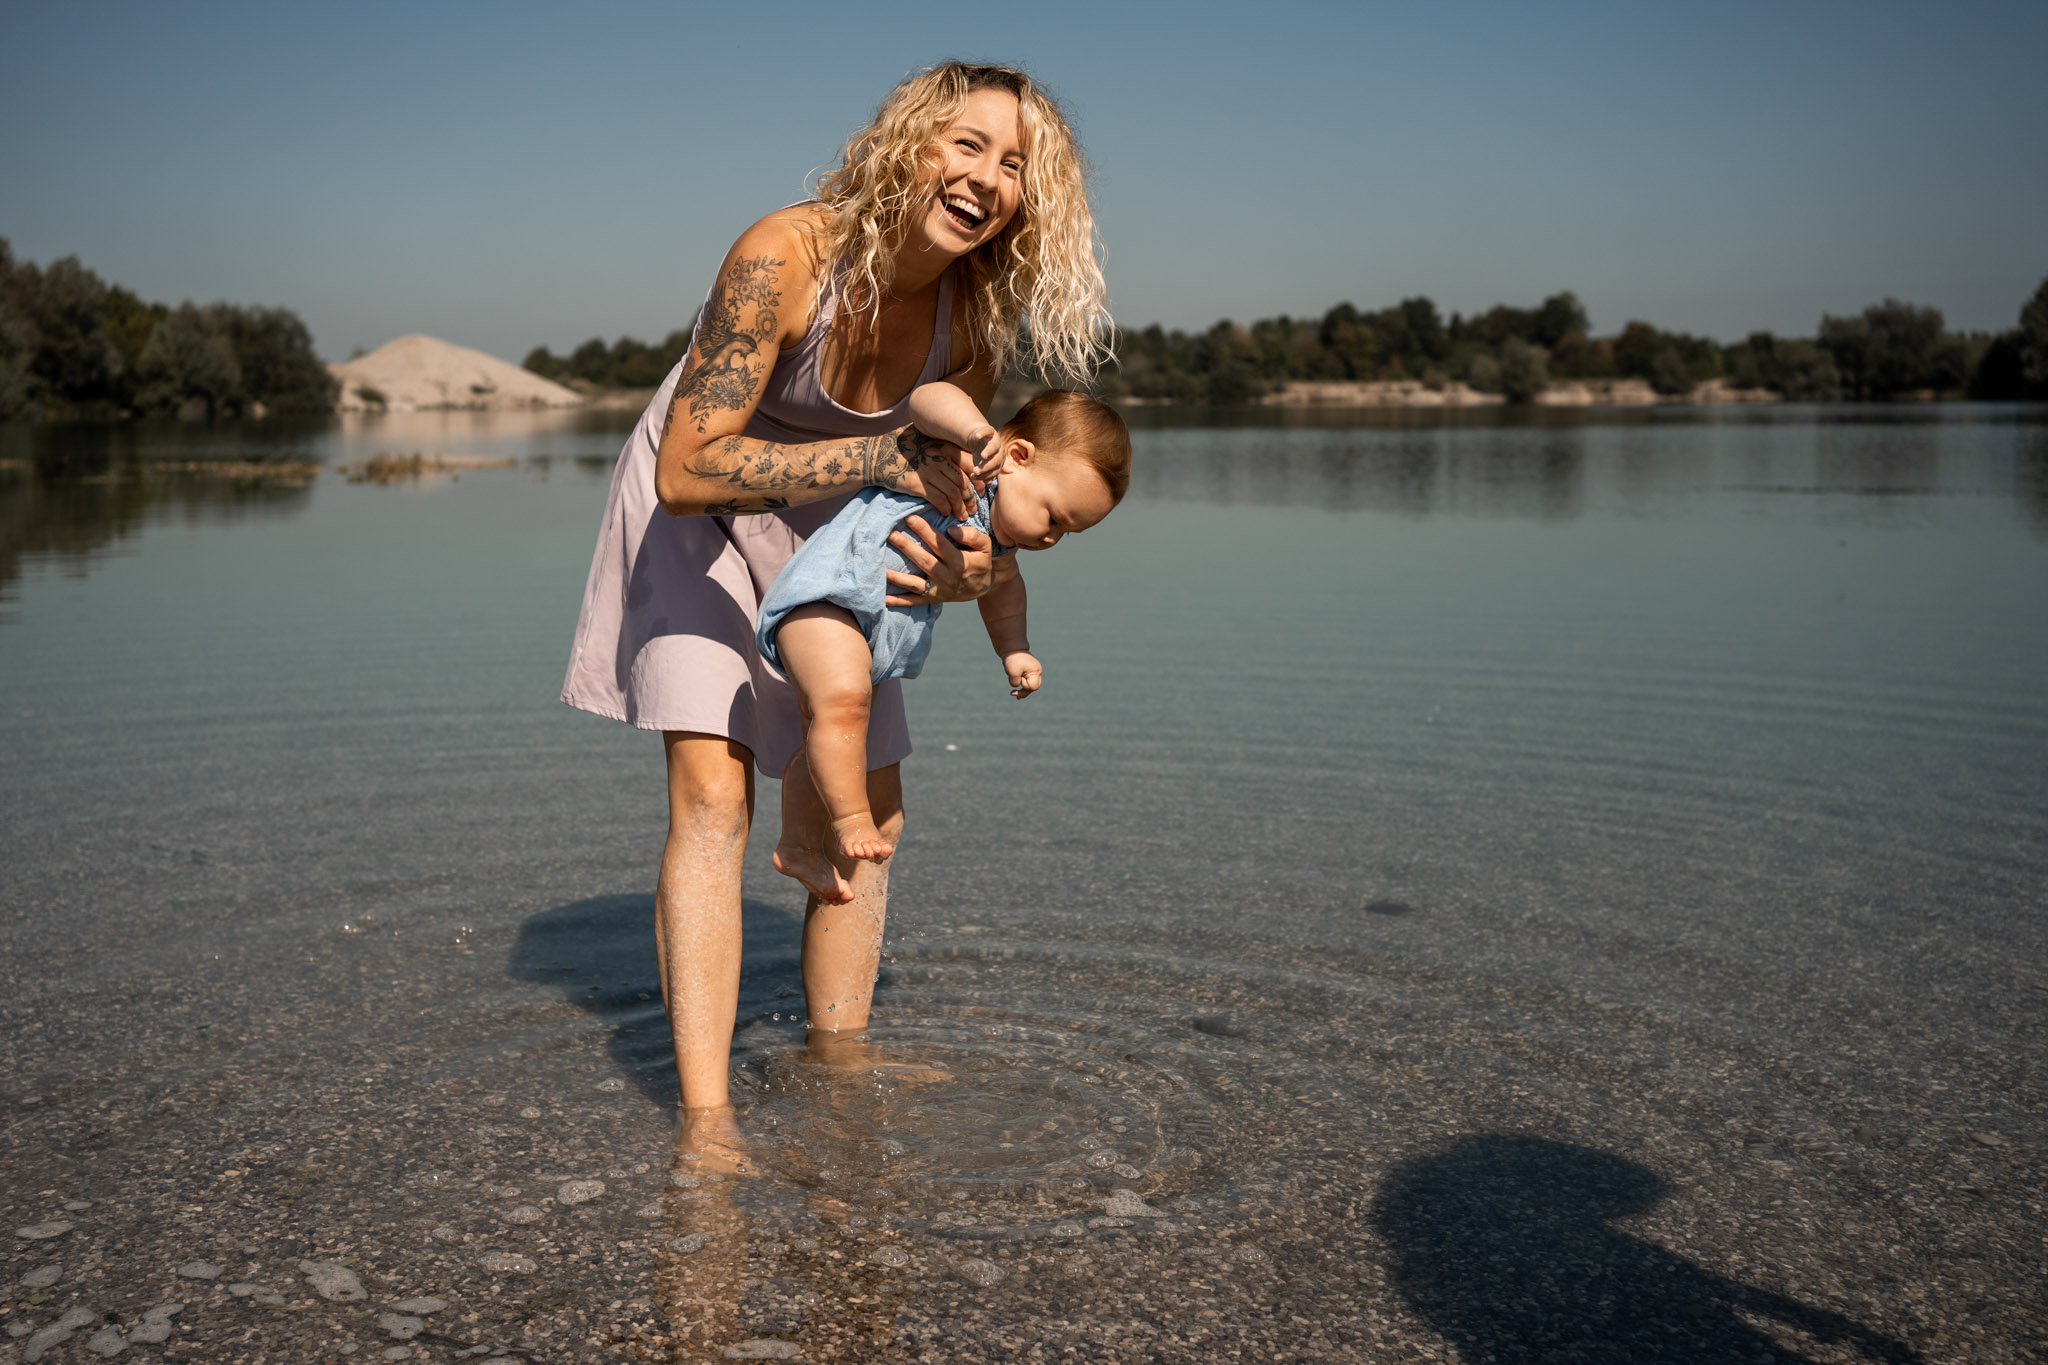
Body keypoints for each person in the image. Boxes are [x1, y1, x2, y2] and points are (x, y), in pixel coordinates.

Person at [559, 62, 1111, 1145]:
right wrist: (877, 459)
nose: (986, 178)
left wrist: (961, 571)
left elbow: (952, 491)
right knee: (713, 799)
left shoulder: (972, 321)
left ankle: (839, 1076)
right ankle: (708, 1125)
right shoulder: (784, 254)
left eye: (1013, 165)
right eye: (966, 144)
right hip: (705, 506)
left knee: (873, 814)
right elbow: (687, 468)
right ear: (907, 143)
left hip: (843, 531)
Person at [757, 385, 1131, 899]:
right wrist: (973, 430)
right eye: (1053, 518)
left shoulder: (1000, 546)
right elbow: (927, 398)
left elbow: (1004, 594)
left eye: (1067, 533)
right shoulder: (963, 462)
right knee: (842, 706)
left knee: (834, 727)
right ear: (1017, 456)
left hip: (869, 636)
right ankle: (852, 820)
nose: (1050, 539)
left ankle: (798, 845)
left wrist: (1014, 650)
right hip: (827, 597)